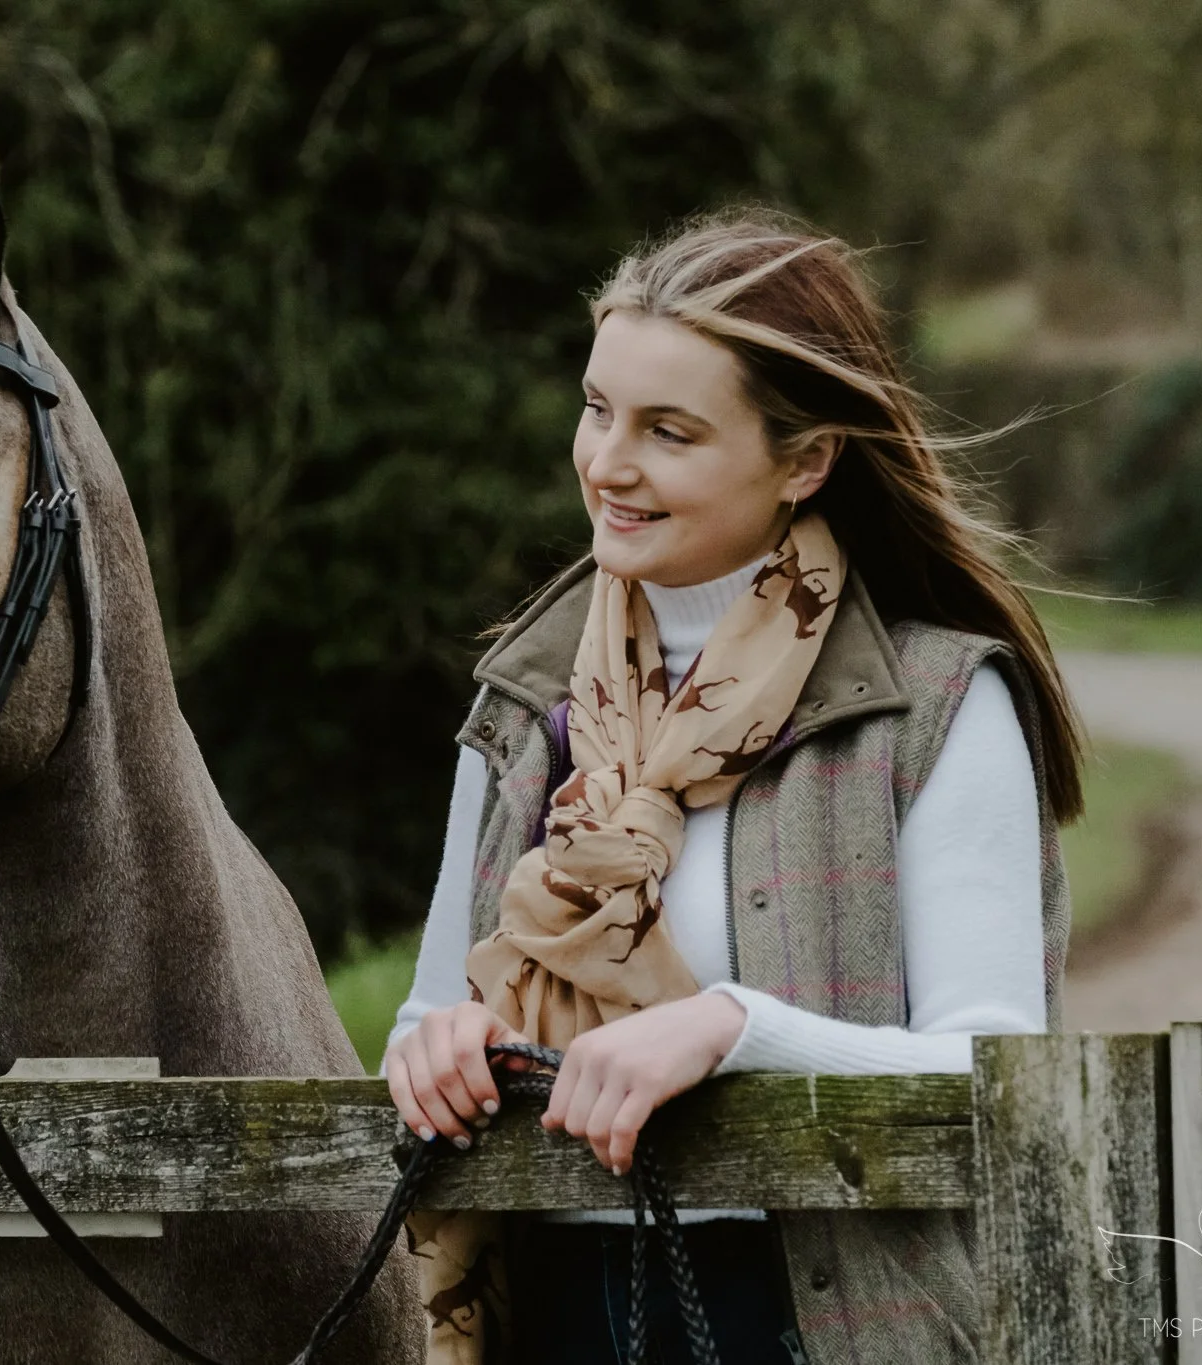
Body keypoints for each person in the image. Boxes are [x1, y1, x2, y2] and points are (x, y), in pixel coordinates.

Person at [381, 206, 1084, 1365]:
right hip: (544, 1315)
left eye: (669, 431)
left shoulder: (934, 705)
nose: (607, 464)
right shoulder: (523, 702)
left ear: (804, 461)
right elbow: (419, 1016)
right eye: (597, 409)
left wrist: (732, 1028)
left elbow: (999, 1065)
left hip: (818, 1320)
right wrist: (435, 1050)